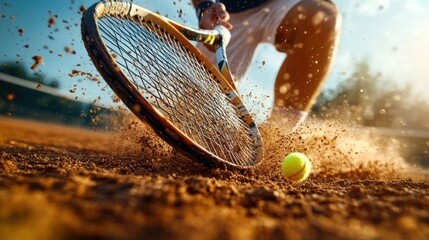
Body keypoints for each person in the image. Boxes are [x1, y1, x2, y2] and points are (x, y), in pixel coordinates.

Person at [192, 0, 341, 131]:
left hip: (279, 4)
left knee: (323, 16)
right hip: (227, 16)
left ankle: (279, 133)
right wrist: (205, 6)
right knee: (193, 113)